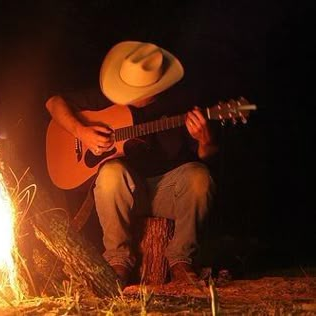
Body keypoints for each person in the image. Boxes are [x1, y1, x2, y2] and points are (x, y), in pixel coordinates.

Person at [45, 40, 218, 286]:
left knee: (199, 175)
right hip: (126, 194)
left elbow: (207, 154)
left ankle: (181, 260)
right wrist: (82, 132)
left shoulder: (182, 103)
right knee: (111, 172)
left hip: (167, 192)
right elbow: (53, 103)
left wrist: (205, 139)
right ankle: (118, 262)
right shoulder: (106, 97)